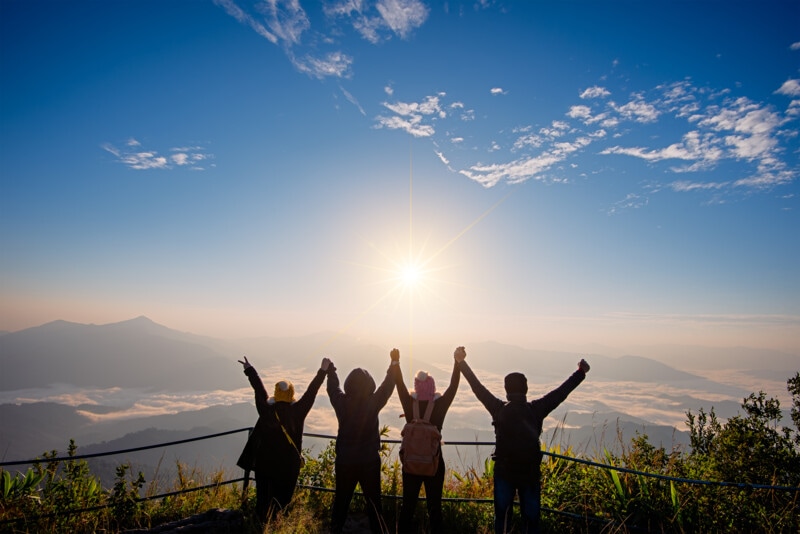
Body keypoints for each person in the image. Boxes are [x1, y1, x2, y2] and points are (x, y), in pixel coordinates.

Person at [454, 346, 590, 534]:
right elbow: (560, 393)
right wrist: (580, 373)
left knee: (502, 518)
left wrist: (461, 362)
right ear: (526, 389)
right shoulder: (536, 409)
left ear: (506, 390)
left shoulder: (498, 409)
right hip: (530, 472)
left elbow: (477, 387)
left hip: (504, 471)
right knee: (532, 520)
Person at [236, 355, 331, 523]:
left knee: (263, 499)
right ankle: (277, 524)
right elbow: (311, 392)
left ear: (276, 394)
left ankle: (261, 525)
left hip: (264, 464)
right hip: (288, 466)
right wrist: (323, 371)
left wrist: (250, 370)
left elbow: (259, 391)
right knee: (282, 501)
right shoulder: (299, 411)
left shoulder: (266, 410)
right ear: (292, 393)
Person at [326, 351, 398, 534]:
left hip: (345, 461)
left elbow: (333, 389)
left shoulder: (341, 403)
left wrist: (331, 370)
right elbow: (388, 386)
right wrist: (394, 362)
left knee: (341, 502)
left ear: (349, 384)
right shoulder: (373, 403)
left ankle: (335, 530)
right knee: (374, 504)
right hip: (369, 461)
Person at [391, 347, 461, 534]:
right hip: (434, 464)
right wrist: (457, 362)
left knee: (408, 507)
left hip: (411, 463)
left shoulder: (409, 404)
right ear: (432, 388)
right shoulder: (439, 406)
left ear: (416, 387)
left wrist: (395, 361)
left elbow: (399, 384)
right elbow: (453, 387)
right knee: (434, 508)